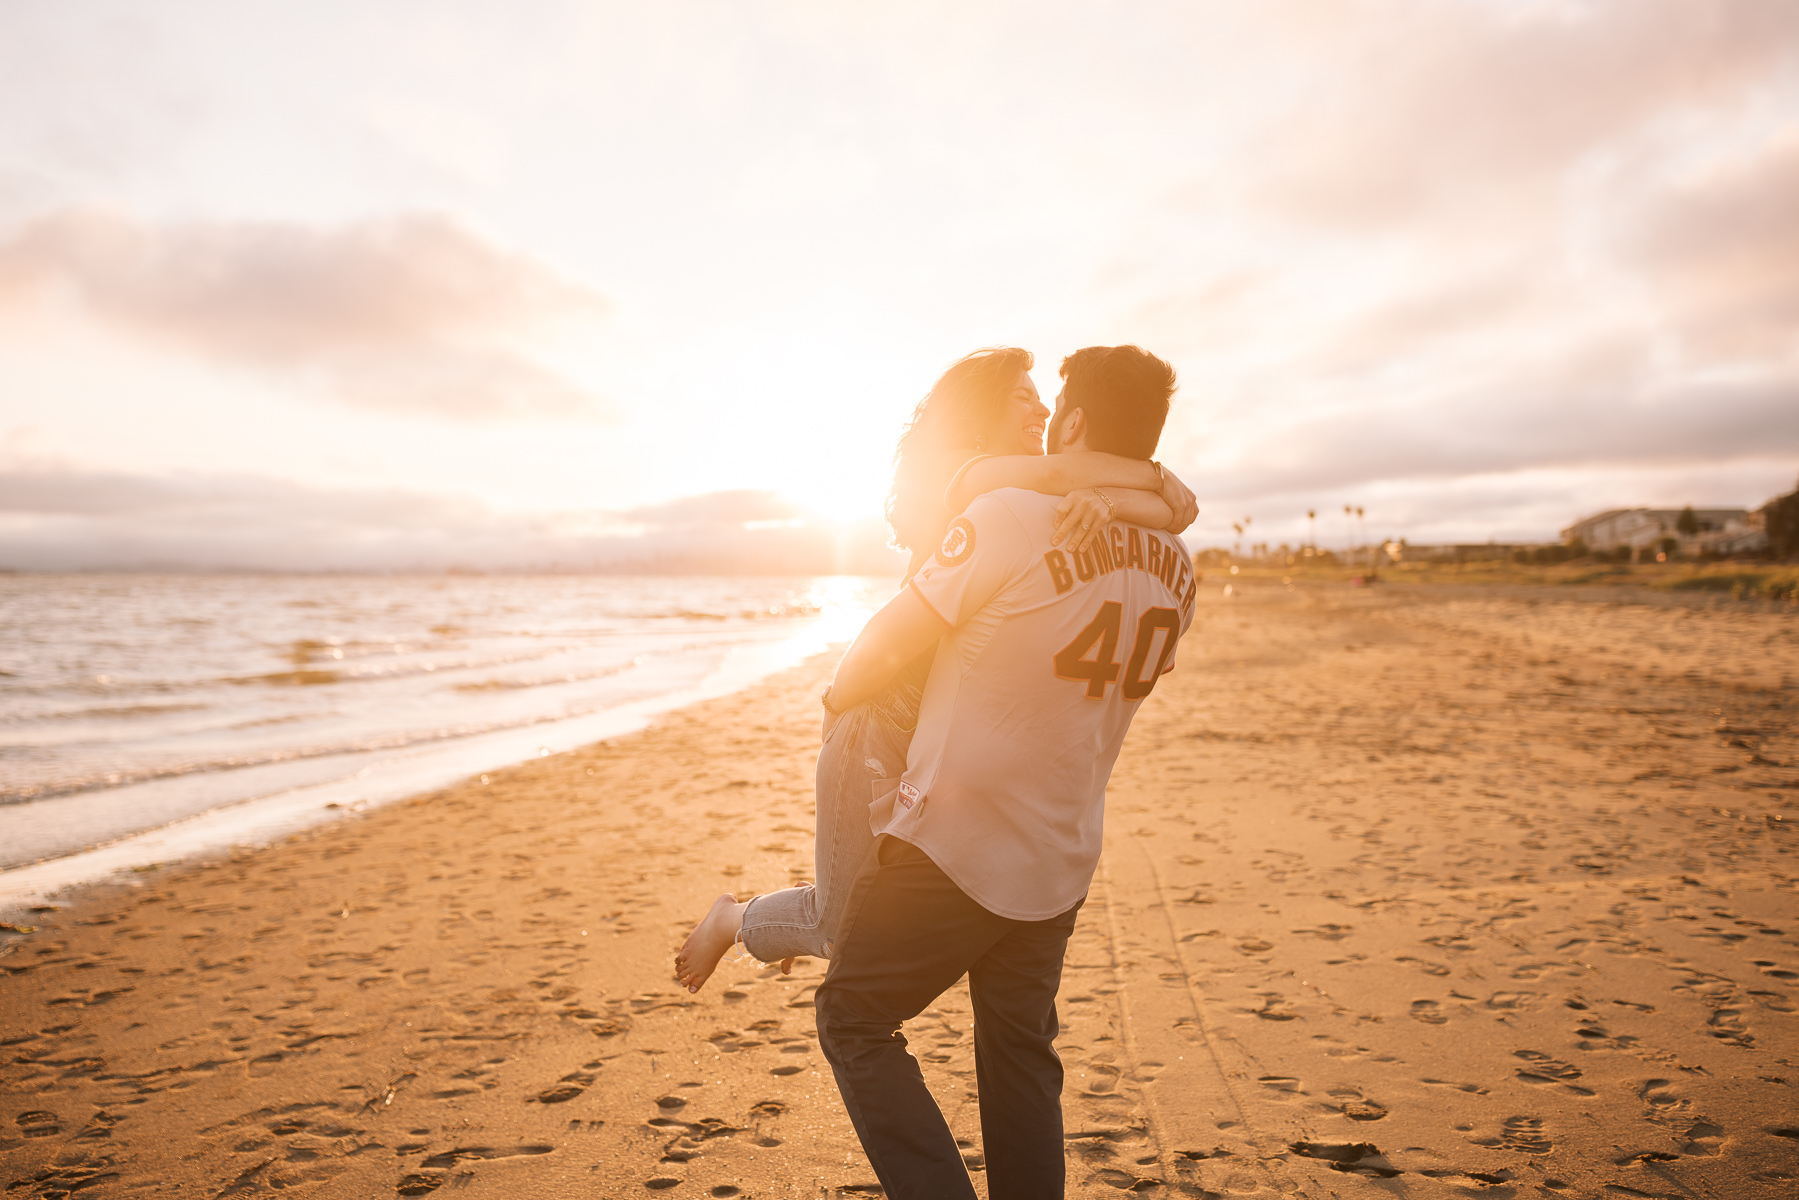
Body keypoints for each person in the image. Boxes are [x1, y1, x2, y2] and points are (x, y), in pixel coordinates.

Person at [674, 347, 1196, 991]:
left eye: (1044, 398)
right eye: (1021, 396)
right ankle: (733, 921)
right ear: (980, 411)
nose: (1040, 409)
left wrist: (1134, 500)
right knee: (843, 929)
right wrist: (1154, 488)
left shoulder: (1035, 485)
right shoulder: (968, 472)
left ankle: (766, 923)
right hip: (875, 719)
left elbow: (1157, 502)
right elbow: (1149, 494)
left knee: (860, 922)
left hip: (930, 739)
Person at [811, 345, 1194, 1200]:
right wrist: (1156, 493)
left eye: (1055, 408)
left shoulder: (1013, 516)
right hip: (1061, 851)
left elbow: (887, 640)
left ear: (1077, 424)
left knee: (855, 1017)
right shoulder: (1180, 565)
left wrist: (840, 698)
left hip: (957, 837)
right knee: (1019, 1054)